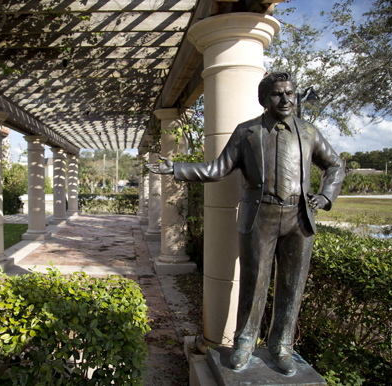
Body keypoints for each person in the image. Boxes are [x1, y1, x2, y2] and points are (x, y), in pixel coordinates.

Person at [147, 72, 344, 375]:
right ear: (264, 99)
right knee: (253, 284)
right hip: (260, 216)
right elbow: (216, 169)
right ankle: (245, 342)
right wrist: (176, 168)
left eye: (291, 93)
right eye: (278, 94)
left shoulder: (308, 132)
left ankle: (282, 347)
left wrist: (325, 196)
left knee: (292, 287)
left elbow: (335, 164)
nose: (286, 99)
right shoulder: (247, 132)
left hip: (299, 218)